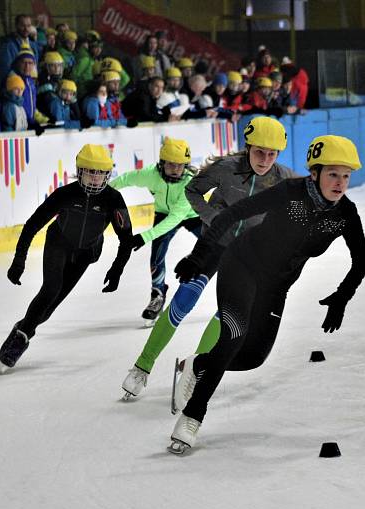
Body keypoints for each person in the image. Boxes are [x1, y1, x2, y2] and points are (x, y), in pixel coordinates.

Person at [167, 135, 365, 454]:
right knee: (233, 335)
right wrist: (199, 256)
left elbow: (363, 259)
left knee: (252, 358)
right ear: (315, 173)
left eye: (346, 176)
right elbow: (230, 216)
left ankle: (197, 365)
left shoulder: (344, 213)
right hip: (242, 266)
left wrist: (342, 296)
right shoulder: (290, 193)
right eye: (333, 174)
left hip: (276, 286)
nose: (340, 183)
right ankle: (193, 417)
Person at [119, 116, 298, 400]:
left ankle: (192, 371)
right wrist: (215, 219)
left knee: (225, 315)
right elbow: (193, 190)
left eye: (271, 154)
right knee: (182, 301)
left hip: (245, 257)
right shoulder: (225, 169)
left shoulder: (284, 178)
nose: (265, 159)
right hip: (213, 245)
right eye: (259, 152)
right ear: (248, 147)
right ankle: (143, 365)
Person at [0, 144, 134, 370]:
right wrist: (18, 260)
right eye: (91, 172)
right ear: (80, 172)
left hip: (86, 253)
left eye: (101, 174)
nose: (95, 179)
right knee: (50, 290)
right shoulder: (65, 194)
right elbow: (32, 226)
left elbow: (126, 238)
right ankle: (21, 338)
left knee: (48, 310)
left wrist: (117, 269)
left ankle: (21, 327)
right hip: (58, 244)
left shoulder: (113, 199)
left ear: (108, 175)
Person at [108, 138, 201, 335]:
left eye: (180, 165)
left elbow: (176, 217)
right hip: (162, 214)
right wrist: (106, 194)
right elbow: (125, 179)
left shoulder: (190, 182)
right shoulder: (150, 175)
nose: (176, 169)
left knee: (218, 246)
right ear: (161, 163)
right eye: (171, 164)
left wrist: (144, 236)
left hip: (193, 215)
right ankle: (157, 294)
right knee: (156, 257)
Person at [0, 14, 39, 86]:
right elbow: (5, 71)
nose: (26, 29)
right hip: (16, 88)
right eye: (23, 26)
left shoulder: (33, 45)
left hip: (31, 85)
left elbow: (35, 65)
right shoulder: (8, 45)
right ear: (16, 26)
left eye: (28, 26)